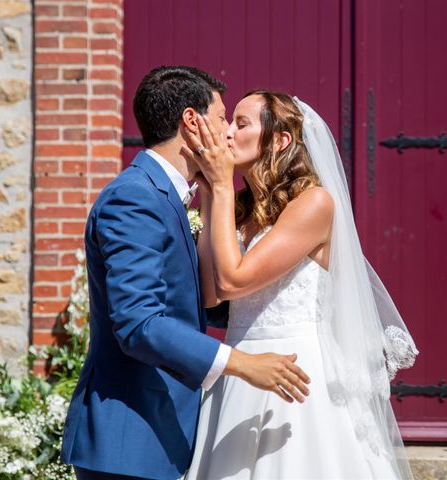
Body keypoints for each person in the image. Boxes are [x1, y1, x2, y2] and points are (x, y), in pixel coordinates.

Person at [60, 69, 310, 480]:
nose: (228, 131)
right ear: (192, 123)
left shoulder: (172, 197)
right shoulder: (134, 198)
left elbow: (196, 302)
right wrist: (243, 364)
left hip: (161, 434)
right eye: (222, 116)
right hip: (130, 438)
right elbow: (139, 322)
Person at [184, 91, 418, 479]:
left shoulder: (314, 204)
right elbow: (211, 295)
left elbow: (231, 280)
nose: (226, 133)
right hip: (241, 367)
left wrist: (222, 186)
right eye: (229, 122)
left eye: (241, 124)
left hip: (297, 375)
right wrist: (211, 195)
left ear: (280, 141)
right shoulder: (238, 208)